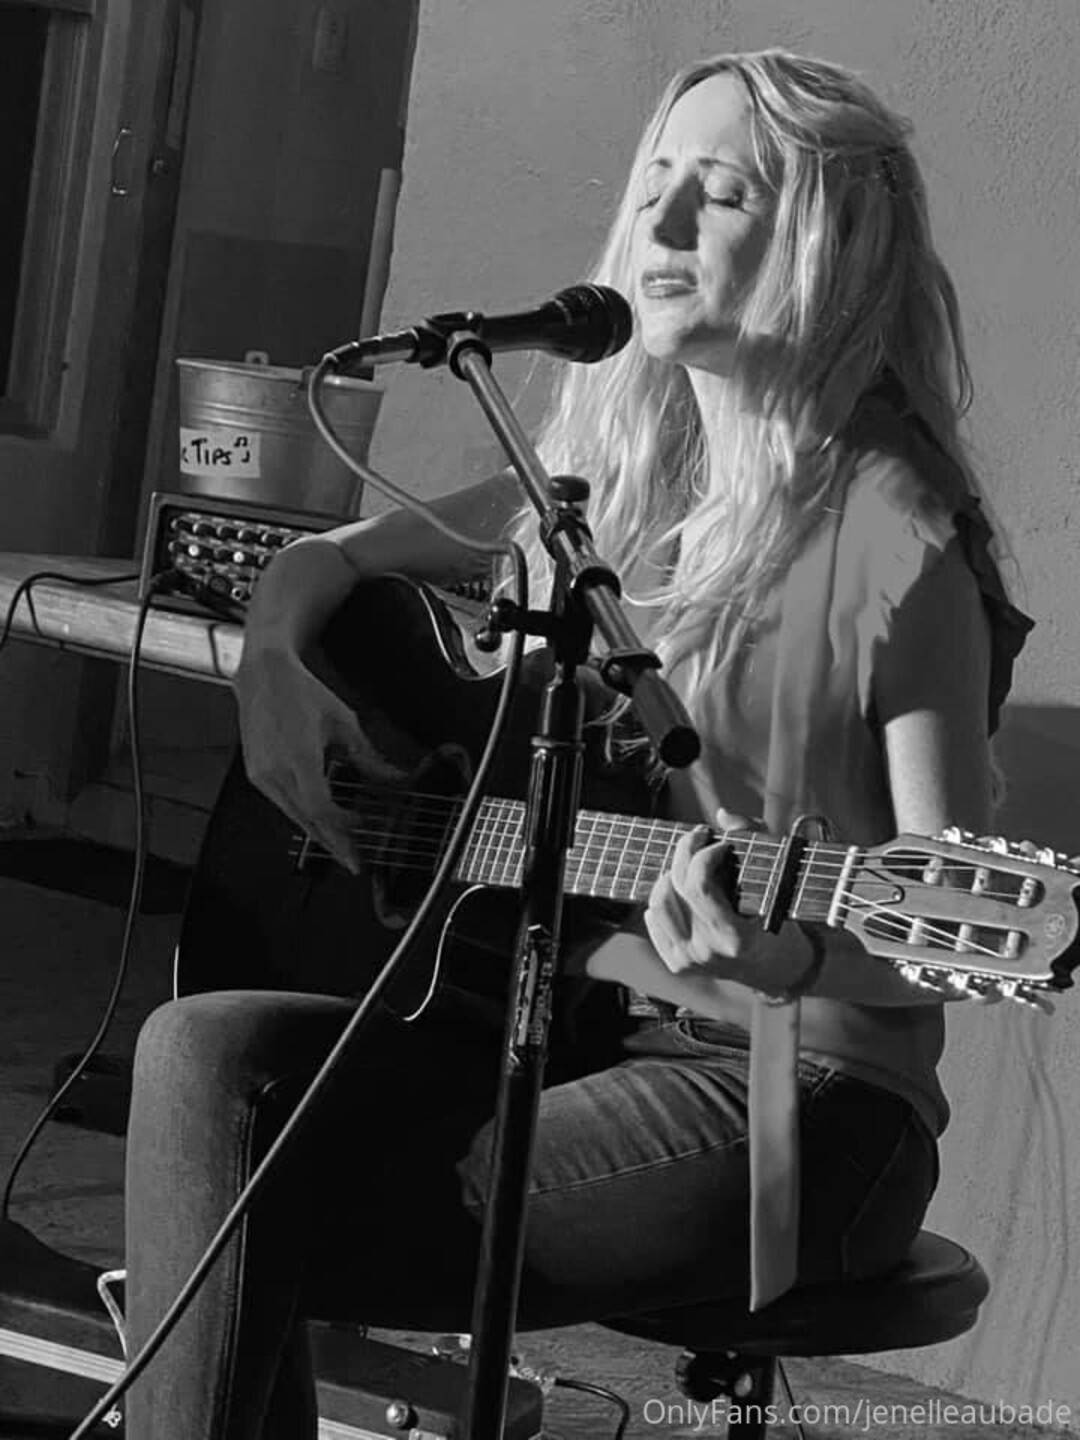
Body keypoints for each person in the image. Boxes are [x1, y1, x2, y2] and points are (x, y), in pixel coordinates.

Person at [123, 48, 1032, 1438]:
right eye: (654, 182)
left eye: (721, 194)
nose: (660, 223)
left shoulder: (900, 538)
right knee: (204, 1056)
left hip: (796, 1096)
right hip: (575, 1029)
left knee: (236, 1211)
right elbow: (331, 561)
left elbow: (940, 928)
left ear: (826, 244)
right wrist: (273, 672)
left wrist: (779, 956)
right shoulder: (628, 487)